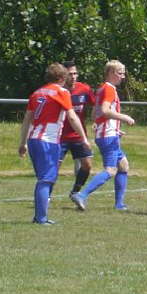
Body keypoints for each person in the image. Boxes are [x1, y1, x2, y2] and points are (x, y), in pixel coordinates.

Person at [18, 62, 91, 225]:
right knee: (46, 179)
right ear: (61, 78)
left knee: (43, 178)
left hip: (34, 139)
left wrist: (22, 143)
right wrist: (84, 138)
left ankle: (39, 216)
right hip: (48, 140)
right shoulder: (61, 92)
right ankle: (41, 218)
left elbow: (26, 120)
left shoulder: (37, 93)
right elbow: (72, 117)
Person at [70, 60, 135, 211]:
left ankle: (119, 204)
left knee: (123, 166)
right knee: (110, 170)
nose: (123, 77)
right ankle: (81, 195)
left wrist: (114, 128)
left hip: (108, 134)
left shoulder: (101, 89)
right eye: (120, 73)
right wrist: (124, 117)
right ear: (111, 73)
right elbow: (105, 111)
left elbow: (95, 113)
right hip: (108, 137)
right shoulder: (109, 89)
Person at [58, 61, 96, 197]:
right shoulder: (58, 91)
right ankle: (47, 195)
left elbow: (96, 105)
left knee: (87, 165)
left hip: (78, 136)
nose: (73, 77)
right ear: (63, 75)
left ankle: (75, 192)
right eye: (70, 74)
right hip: (60, 136)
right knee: (54, 168)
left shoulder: (84, 89)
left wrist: (96, 121)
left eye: (75, 73)